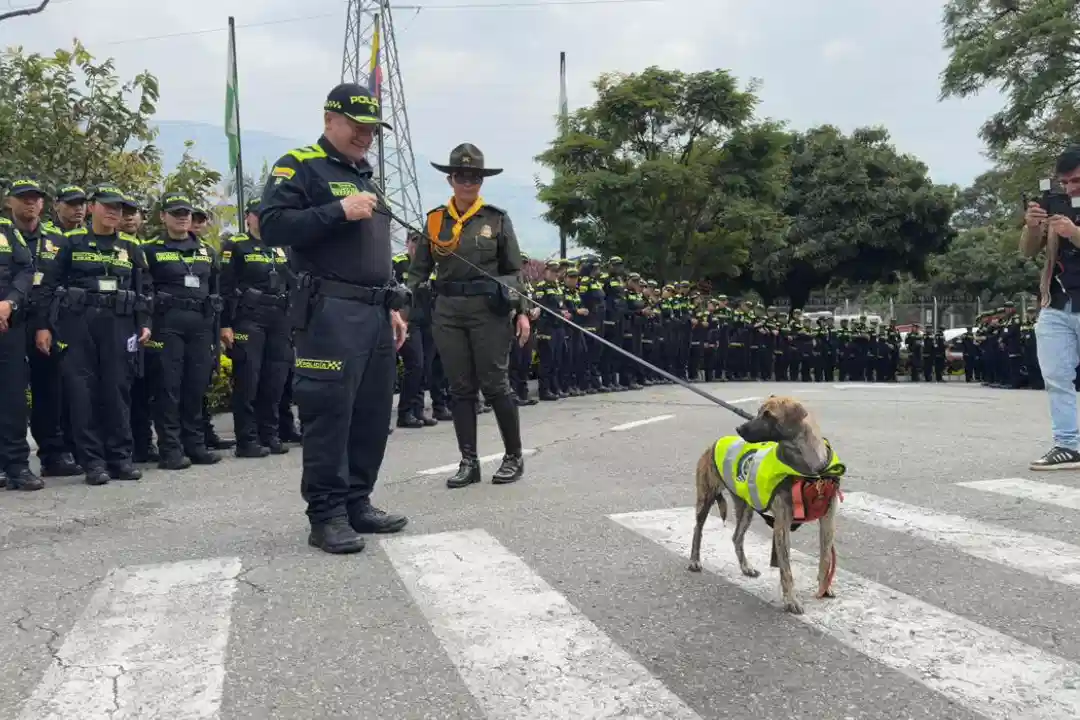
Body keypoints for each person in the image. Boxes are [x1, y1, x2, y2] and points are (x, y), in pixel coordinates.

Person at [259, 82, 409, 555]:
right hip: (329, 312)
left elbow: (374, 251)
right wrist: (336, 210)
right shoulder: (301, 165)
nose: (366, 137)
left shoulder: (365, 174)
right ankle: (325, 515)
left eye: (372, 131)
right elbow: (272, 225)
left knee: (371, 414)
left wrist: (392, 304)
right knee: (330, 414)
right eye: (358, 127)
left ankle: (357, 501)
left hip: (373, 311)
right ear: (330, 120)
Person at [406, 143, 531, 490]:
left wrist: (521, 312)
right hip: (447, 311)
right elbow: (418, 273)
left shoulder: (496, 218)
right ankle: (469, 461)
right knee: (460, 388)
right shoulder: (434, 220)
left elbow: (514, 271)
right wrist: (400, 309)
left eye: (474, 176)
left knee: (495, 384)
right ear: (450, 179)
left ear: (481, 180)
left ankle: (513, 457)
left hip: (488, 312)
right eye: (461, 175)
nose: (468, 182)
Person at [36, 184, 151, 486]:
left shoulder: (130, 246)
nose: (114, 212)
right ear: (92, 207)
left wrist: (145, 322)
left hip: (119, 323)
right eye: (108, 206)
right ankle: (93, 462)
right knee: (83, 394)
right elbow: (48, 286)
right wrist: (44, 326)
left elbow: (144, 288)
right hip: (78, 325)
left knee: (117, 392)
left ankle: (120, 458)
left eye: (120, 208)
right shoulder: (69, 241)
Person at [4, 176, 81, 479]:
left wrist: (50, 324)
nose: (30, 203)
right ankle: (7, 460)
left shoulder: (56, 240)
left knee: (50, 390)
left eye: (35, 198)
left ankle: (53, 454)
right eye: (23, 197)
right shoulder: (4, 235)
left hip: (46, 325)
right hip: (10, 322)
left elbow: (64, 285)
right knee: (9, 394)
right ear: (9, 201)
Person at [142, 192, 223, 470]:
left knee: (195, 387)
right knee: (168, 388)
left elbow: (215, 292)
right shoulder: (149, 250)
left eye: (186, 213)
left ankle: (196, 445)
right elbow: (144, 290)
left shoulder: (206, 251)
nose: (182, 217)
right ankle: (170, 449)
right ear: (163, 216)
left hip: (200, 325)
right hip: (167, 326)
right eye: (176, 213)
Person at [1021, 145, 1080, 470]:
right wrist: (1032, 227)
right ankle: (1068, 444)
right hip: (1057, 303)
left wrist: (1075, 234)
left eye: (1077, 180)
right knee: (1057, 377)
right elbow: (1028, 251)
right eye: (1067, 182)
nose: (1071, 188)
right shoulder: (1057, 206)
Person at [220, 198, 293, 457]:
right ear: (249, 217)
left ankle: (269, 434)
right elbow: (225, 287)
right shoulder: (236, 245)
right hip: (249, 318)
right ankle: (247, 440)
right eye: (258, 214)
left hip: (279, 317)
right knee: (249, 379)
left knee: (275, 380)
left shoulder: (281, 246)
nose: (262, 219)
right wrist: (225, 324)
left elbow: (292, 281)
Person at [0, 214, 42, 490]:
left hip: (8, 324)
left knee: (13, 397)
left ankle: (17, 466)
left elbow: (27, 269)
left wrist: (9, 303)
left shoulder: (6, 230)